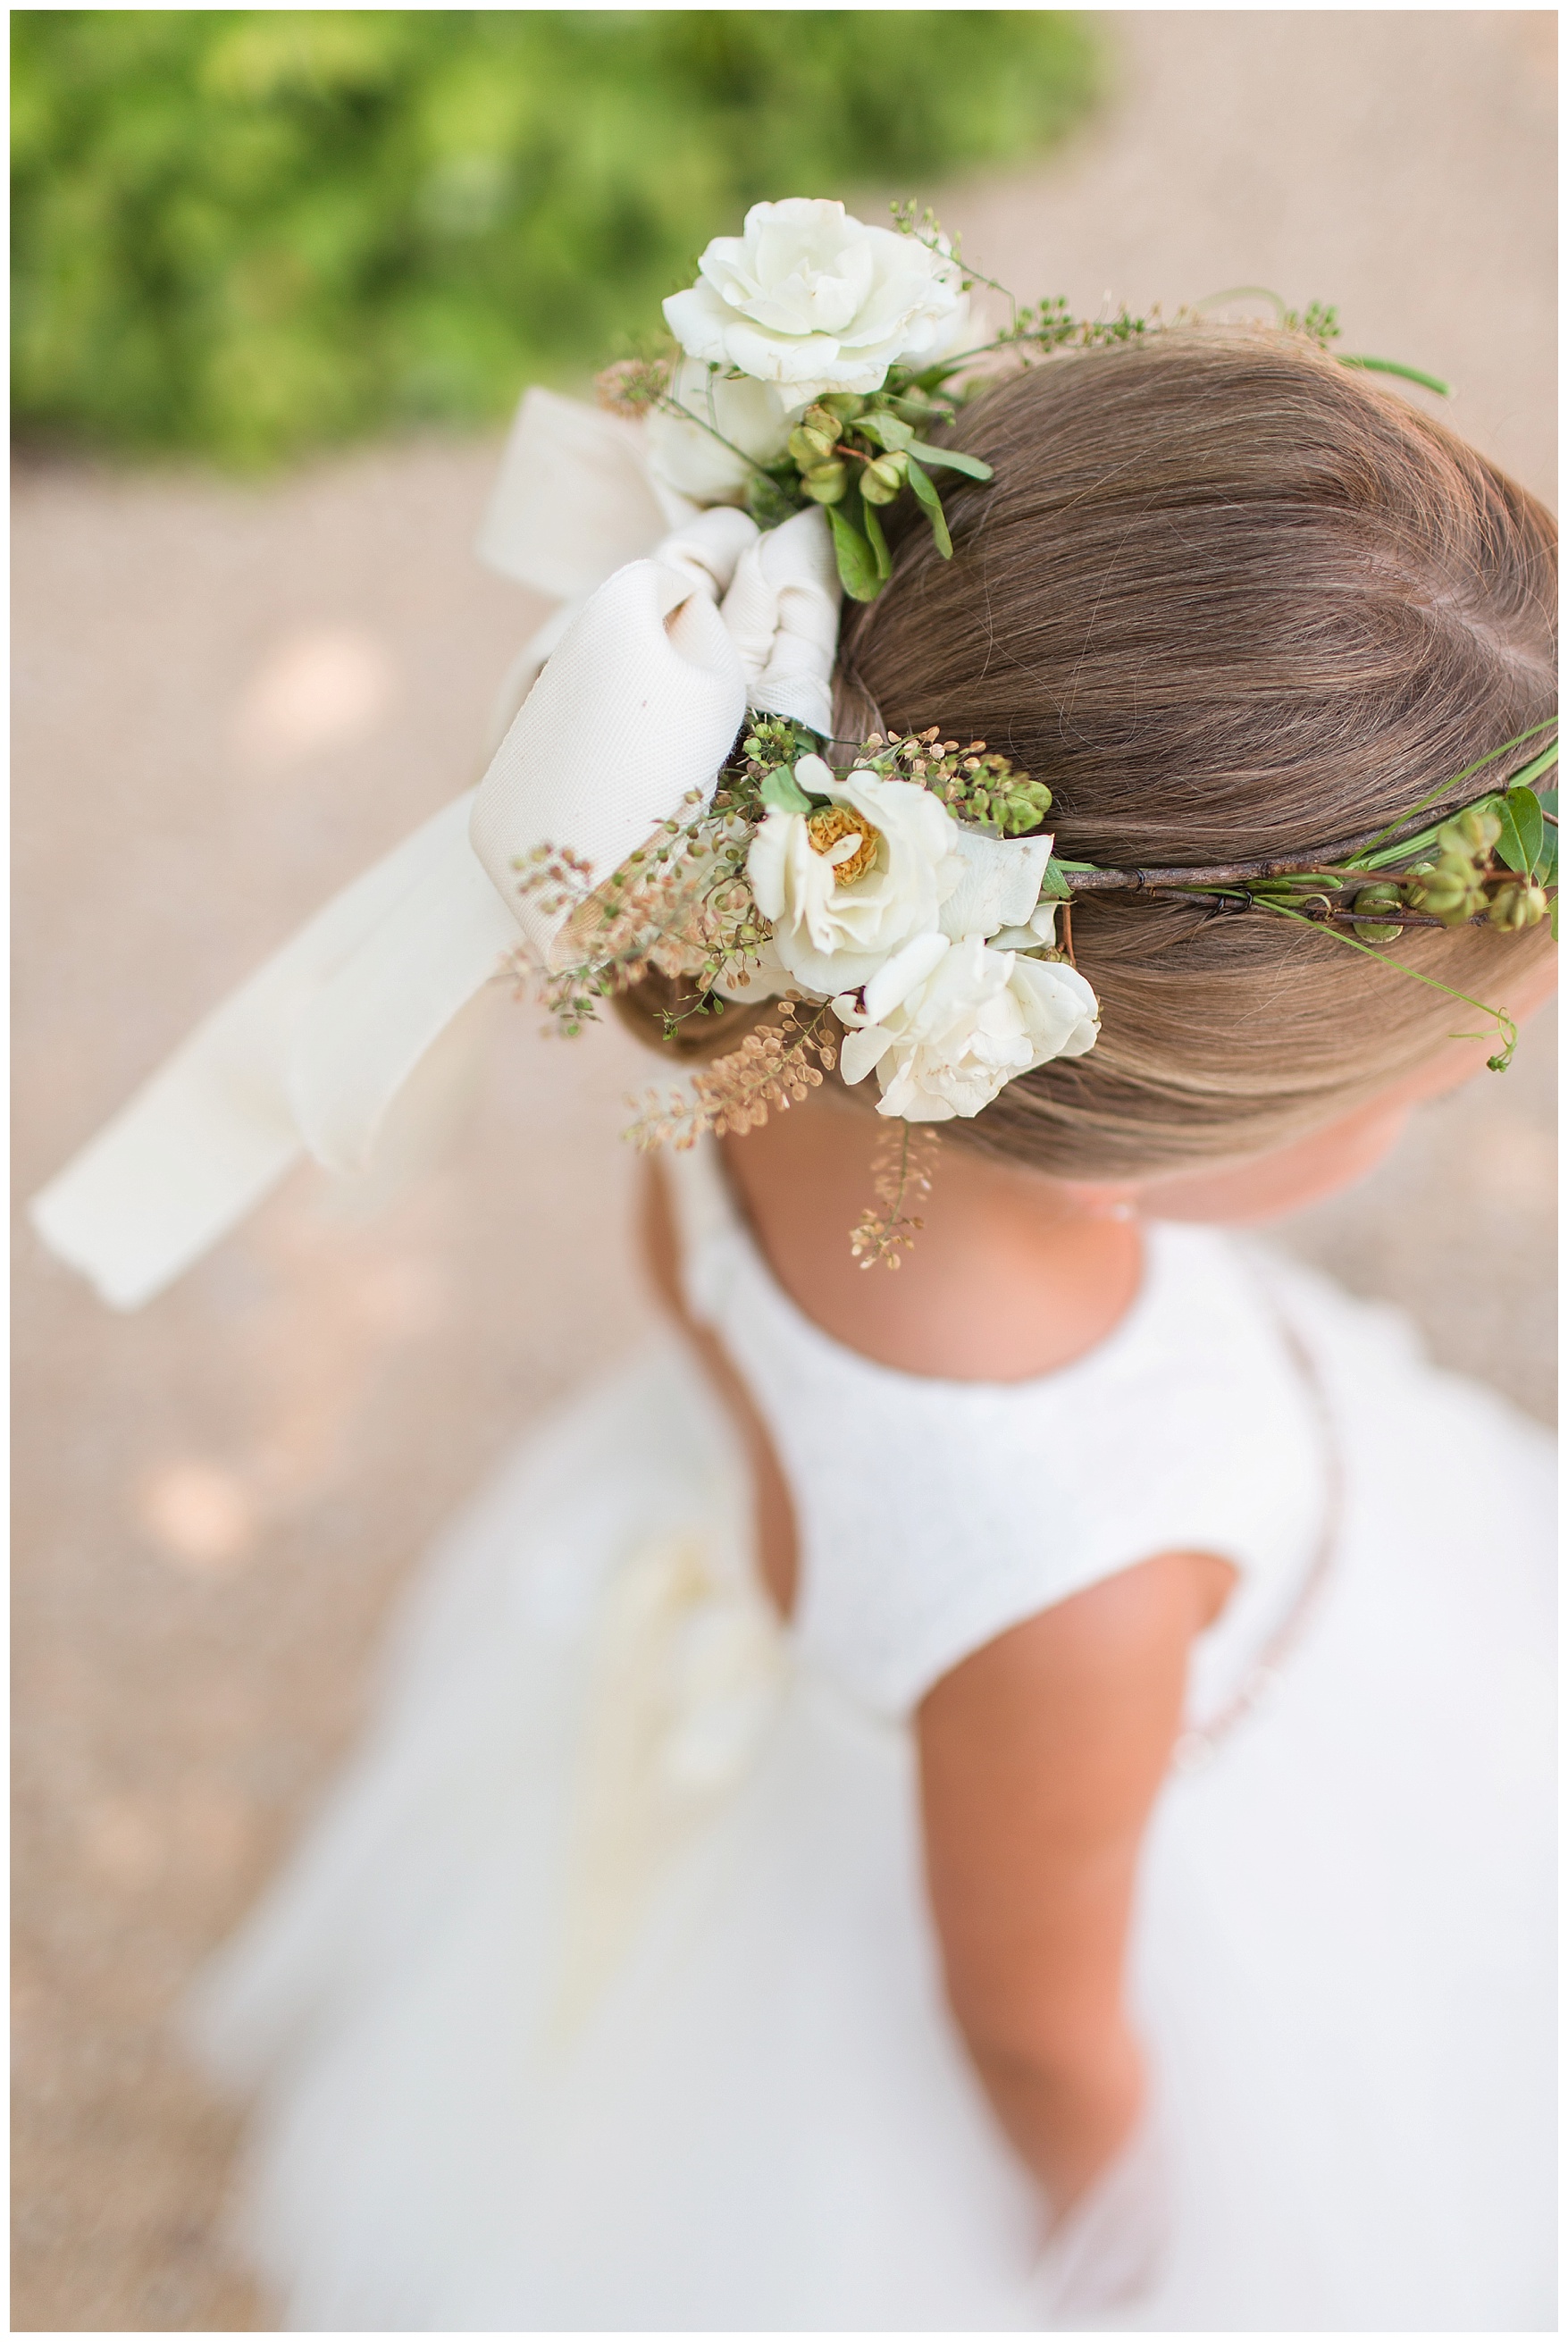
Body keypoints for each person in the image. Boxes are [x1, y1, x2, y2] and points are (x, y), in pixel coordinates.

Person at [41, 291, 1557, 2327]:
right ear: (1140, 1129)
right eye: (1428, 1078)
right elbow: (1035, 2029)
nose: (1440, 1104)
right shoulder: (1085, 1565)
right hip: (1076, 1816)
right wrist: (1138, 2251)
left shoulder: (781, 1046)